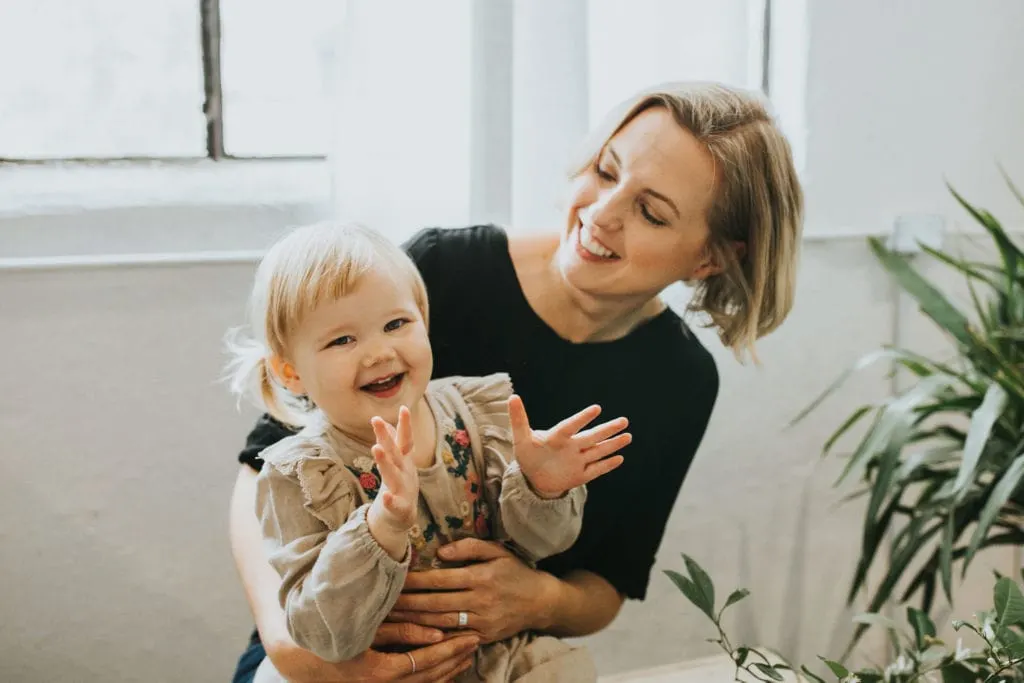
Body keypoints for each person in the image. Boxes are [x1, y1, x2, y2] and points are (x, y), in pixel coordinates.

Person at [228, 80, 803, 683]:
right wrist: (299, 652)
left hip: (488, 657)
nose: (601, 214)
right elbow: (265, 465)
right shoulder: (446, 274)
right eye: (606, 173)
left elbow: (604, 588)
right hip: (324, 645)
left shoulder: (678, 382)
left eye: (651, 213)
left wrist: (533, 599)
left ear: (710, 259)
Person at [226, 222, 631, 682]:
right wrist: (381, 527)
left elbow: (542, 544)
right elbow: (325, 635)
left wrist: (541, 487)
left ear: (424, 318)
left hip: (483, 653)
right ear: (290, 371)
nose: (379, 351)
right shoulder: (299, 475)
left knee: (563, 672)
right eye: (343, 339)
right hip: (366, 669)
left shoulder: (479, 413)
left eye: (396, 324)